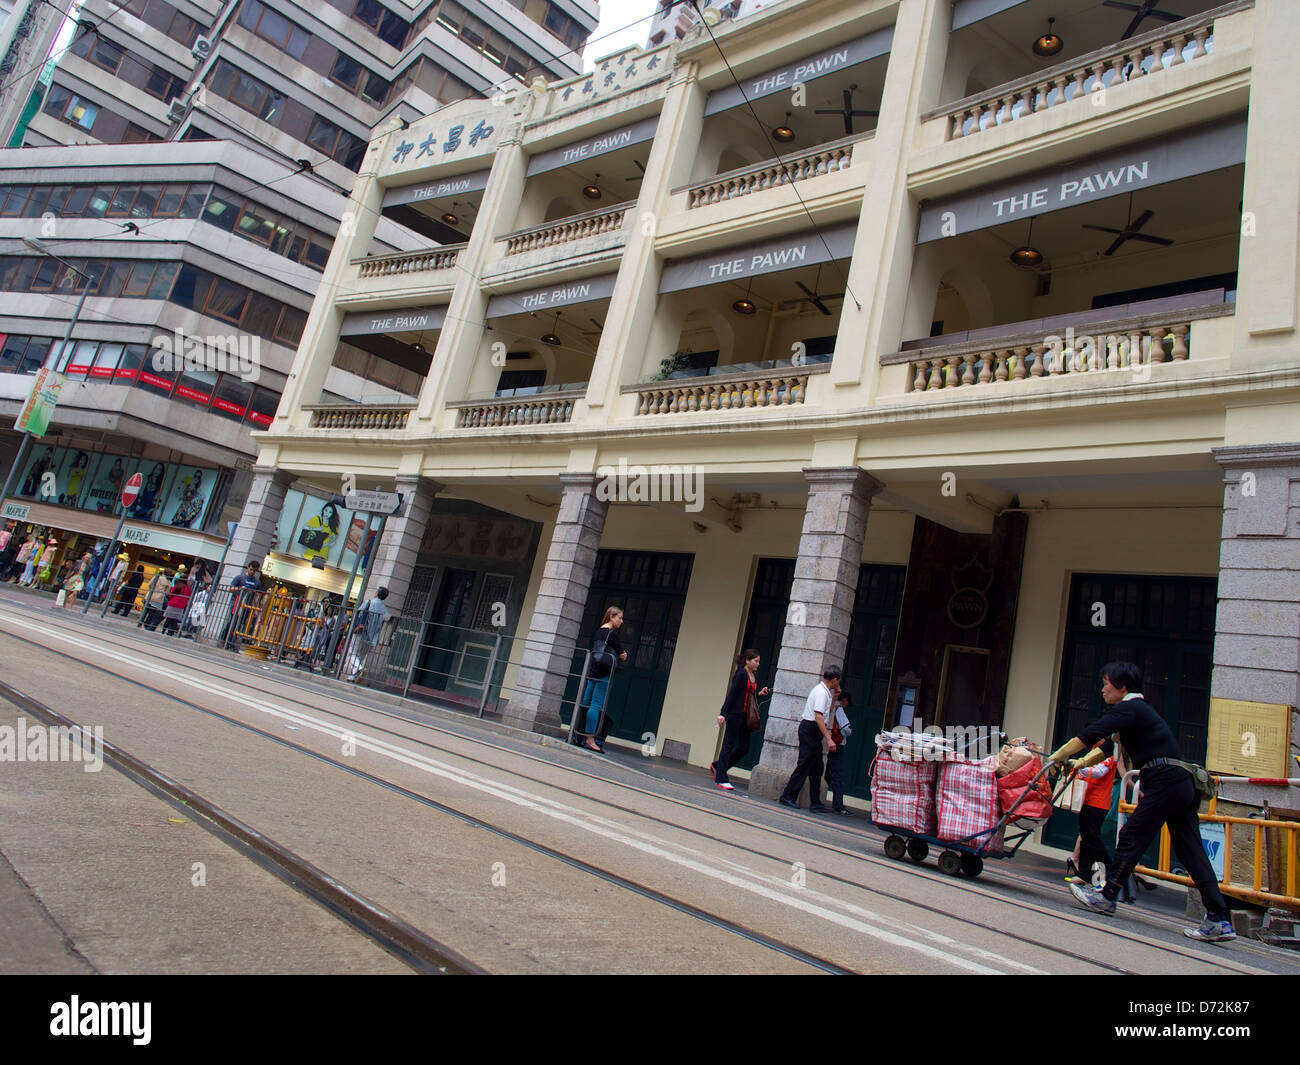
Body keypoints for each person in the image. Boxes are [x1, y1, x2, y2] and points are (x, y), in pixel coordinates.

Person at [1050, 661, 1235, 943]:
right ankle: (1219, 918)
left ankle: (1108, 895)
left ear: (1122, 688)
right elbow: (1108, 747)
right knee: (1190, 850)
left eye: (1106, 684)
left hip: (1165, 779)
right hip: (1181, 782)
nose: (1102, 690)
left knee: (1133, 834)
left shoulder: (1130, 708)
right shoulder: (1139, 712)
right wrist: (1078, 762)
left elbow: (1091, 734)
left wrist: (1056, 757)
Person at [779, 666, 841, 812]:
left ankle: (815, 801)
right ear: (835, 679)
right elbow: (818, 716)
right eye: (838, 681)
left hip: (813, 730)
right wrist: (829, 738)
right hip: (810, 729)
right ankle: (788, 795)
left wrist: (835, 697)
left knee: (817, 767)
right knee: (804, 763)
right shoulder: (821, 693)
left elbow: (827, 712)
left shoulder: (825, 692)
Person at [711, 649, 770, 791]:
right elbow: (732, 694)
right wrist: (723, 713)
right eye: (756, 661)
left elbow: (750, 696)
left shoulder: (752, 675)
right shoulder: (741, 674)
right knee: (728, 745)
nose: (758, 664)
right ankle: (721, 777)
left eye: (759, 661)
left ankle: (718, 766)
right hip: (735, 714)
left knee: (744, 747)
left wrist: (760, 694)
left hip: (746, 717)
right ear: (747, 661)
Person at [577, 607, 626, 752]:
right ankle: (590, 739)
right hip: (604, 672)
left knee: (585, 702)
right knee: (596, 706)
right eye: (620, 618)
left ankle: (577, 734)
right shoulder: (612, 634)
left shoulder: (599, 631)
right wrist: (623, 654)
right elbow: (622, 654)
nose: (621, 621)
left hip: (593, 670)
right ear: (611, 617)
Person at [345, 587, 389, 681]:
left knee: (352, 653)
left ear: (376, 593)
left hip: (361, 632)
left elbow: (360, 614)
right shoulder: (384, 609)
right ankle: (353, 676)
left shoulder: (369, 602)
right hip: (373, 636)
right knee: (361, 655)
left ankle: (359, 668)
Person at [823, 689, 854, 814]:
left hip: (828, 741)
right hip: (837, 744)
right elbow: (846, 728)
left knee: (827, 772)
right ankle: (838, 804)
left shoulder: (830, 706)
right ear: (844, 700)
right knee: (837, 774)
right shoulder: (839, 708)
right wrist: (850, 732)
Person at [223, 561, 263, 646]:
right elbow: (231, 588)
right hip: (237, 602)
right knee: (233, 620)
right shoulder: (240, 577)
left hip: (247, 605)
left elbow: (257, 596)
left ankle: (232, 640)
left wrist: (256, 608)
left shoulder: (257, 582)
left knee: (241, 623)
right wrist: (240, 588)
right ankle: (226, 637)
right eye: (251, 569)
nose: (252, 572)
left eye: (254, 571)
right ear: (248, 568)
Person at [160, 566, 192, 636]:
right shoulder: (188, 588)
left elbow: (170, 594)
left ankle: (164, 630)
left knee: (168, 618)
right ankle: (170, 632)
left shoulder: (177, 586)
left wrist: (171, 599)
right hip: (181, 606)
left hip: (173, 603)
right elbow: (189, 597)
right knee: (175, 620)